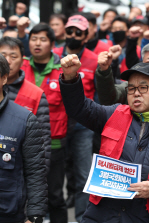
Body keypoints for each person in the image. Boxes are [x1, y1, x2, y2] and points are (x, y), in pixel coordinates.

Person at [59, 58, 149, 222]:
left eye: (143, 87)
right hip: (104, 214)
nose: (136, 93)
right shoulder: (113, 114)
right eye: (131, 88)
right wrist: (70, 78)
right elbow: (79, 108)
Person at [20, 23, 68, 223]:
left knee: (54, 196)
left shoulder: (63, 70)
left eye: (42, 39)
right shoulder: (19, 67)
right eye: (33, 39)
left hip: (54, 144)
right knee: (22, 197)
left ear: (52, 44)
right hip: (21, 144)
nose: (37, 43)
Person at [52, 15, 98, 222]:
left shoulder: (94, 59)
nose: (73, 35)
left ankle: (82, 218)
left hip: (82, 125)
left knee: (83, 174)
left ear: (86, 36)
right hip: (55, 124)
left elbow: (99, 95)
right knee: (52, 175)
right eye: (70, 31)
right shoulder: (53, 56)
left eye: (78, 32)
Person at [0, 54, 47, 223]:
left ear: (4, 79)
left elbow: (35, 172)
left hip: (8, 212)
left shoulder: (25, 120)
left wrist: (35, 216)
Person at [0, 36, 51, 176]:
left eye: (13, 56)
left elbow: (43, 141)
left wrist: (40, 176)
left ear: (23, 61)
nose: (8, 61)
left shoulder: (36, 94)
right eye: (3, 55)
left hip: (20, 169)